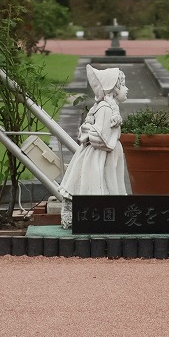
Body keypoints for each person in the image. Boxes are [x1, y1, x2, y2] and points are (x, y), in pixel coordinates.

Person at [59, 65, 129, 226]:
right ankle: (98, 218)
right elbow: (101, 138)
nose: (126, 89)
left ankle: (106, 216)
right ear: (114, 89)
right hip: (100, 156)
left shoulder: (106, 107)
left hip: (104, 155)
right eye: (123, 85)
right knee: (98, 183)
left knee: (107, 183)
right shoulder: (105, 109)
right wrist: (107, 139)